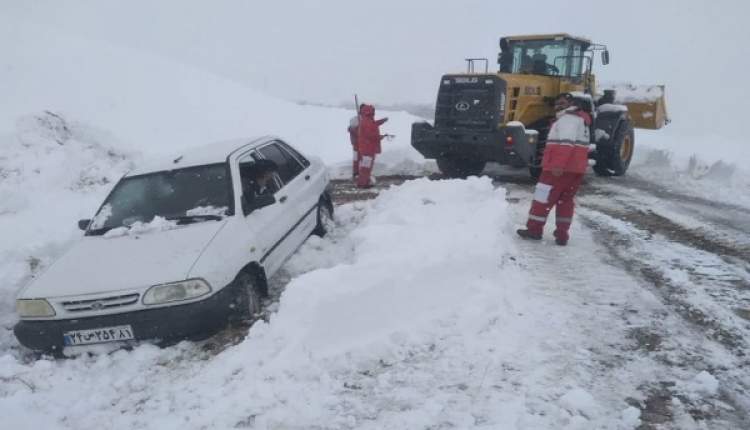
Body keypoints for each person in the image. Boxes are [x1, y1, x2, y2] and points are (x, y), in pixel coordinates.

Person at [517, 93, 591, 246]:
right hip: (575, 170)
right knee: (565, 201)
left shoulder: (567, 120)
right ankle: (562, 235)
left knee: (542, 198)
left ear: (571, 104)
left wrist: (558, 165)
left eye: (563, 103)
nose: (558, 106)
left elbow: (566, 144)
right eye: (557, 103)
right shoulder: (581, 120)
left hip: (557, 170)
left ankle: (534, 230)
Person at [356, 104, 388, 188]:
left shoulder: (367, 119)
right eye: (373, 111)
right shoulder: (366, 121)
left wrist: (382, 121)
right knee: (365, 168)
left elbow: (373, 124)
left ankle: (364, 182)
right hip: (367, 149)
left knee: (366, 167)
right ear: (369, 111)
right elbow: (370, 135)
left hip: (368, 148)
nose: (374, 113)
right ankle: (362, 184)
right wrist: (381, 137)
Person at [348, 106, 362, 180]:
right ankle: (358, 173)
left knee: (357, 159)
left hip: (356, 145)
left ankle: (356, 173)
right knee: (359, 159)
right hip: (357, 145)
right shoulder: (356, 120)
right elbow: (357, 133)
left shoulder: (358, 120)